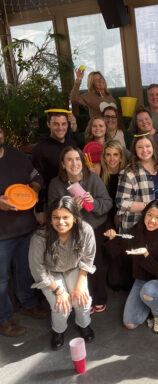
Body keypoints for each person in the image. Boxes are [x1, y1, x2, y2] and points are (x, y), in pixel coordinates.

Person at [48, 146, 112, 314]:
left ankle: (99, 298)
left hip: (95, 227)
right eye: (69, 160)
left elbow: (107, 204)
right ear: (63, 164)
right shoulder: (56, 184)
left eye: (77, 159)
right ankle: (84, 299)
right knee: (77, 267)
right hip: (70, 231)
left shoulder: (92, 178)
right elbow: (51, 212)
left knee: (96, 265)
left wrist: (94, 203)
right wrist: (70, 209)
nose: (74, 163)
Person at [29, 196, 96, 350]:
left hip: (74, 269)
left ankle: (83, 325)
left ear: (74, 217)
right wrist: (59, 292)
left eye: (66, 217)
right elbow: (37, 268)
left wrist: (79, 286)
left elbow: (88, 258)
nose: (61, 222)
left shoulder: (85, 230)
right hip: (50, 273)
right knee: (61, 306)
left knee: (83, 300)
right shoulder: (39, 237)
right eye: (56, 217)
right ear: (50, 218)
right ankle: (58, 330)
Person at [0, 127, 47, 337]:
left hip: (25, 227)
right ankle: (3, 318)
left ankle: (28, 303)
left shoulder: (17, 155)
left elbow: (36, 177)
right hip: (1, 234)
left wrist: (34, 190)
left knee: (25, 269)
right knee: (0, 279)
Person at [104, 200, 158, 333]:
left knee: (148, 291)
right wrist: (112, 237)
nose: (152, 220)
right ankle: (152, 300)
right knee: (130, 323)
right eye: (149, 215)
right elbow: (117, 251)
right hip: (142, 281)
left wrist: (146, 255)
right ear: (144, 215)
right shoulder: (136, 231)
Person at [116, 133, 158, 233]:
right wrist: (148, 205)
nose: (144, 150)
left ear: (153, 147)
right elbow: (122, 203)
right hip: (137, 227)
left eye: (148, 146)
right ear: (135, 150)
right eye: (140, 147)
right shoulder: (129, 173)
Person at [32, 109, 76, 225]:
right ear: (48, 124)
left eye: (63, 124)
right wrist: (40, 210)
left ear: (67, 124)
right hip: (50, 203)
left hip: (72, 199)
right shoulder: (40, 149)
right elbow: (36, 180)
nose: (60, 128)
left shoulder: (71, 143)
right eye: (56, 124)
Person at [100, 139, 128, 228]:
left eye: (115, 154)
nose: (112, 158)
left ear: (120, 158)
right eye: (108, 155)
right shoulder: (99, 172)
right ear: (104, 158)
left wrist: (118, 214)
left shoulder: (126, 174)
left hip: (121, 213)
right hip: (103, 214)